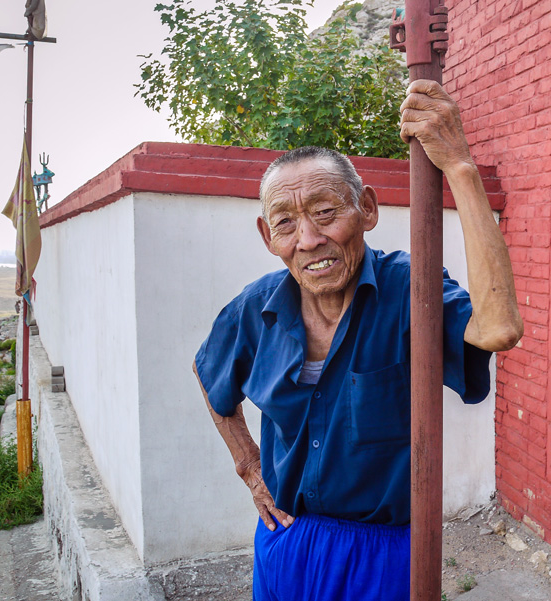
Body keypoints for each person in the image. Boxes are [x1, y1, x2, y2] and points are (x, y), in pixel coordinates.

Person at [193, 79, 523, 601]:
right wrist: (249, 465)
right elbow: (208, 373)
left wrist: (460, 169)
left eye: (326, 212)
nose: (308, 239)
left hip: (385, 557)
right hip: (284, 543)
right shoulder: (255, 310)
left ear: (366, 209)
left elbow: (499, 328)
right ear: (267, 237)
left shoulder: (408, 290)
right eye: (286, 223)